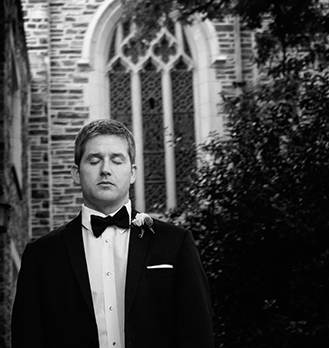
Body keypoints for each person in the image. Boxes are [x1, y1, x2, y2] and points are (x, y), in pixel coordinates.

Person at [11, 118, 214, 348]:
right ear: (76, 173)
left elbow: (198, 335)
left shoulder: (175, 244)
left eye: (117, 161)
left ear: (133, 172)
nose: (105, 170)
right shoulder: (41, 256)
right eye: (94, 160)